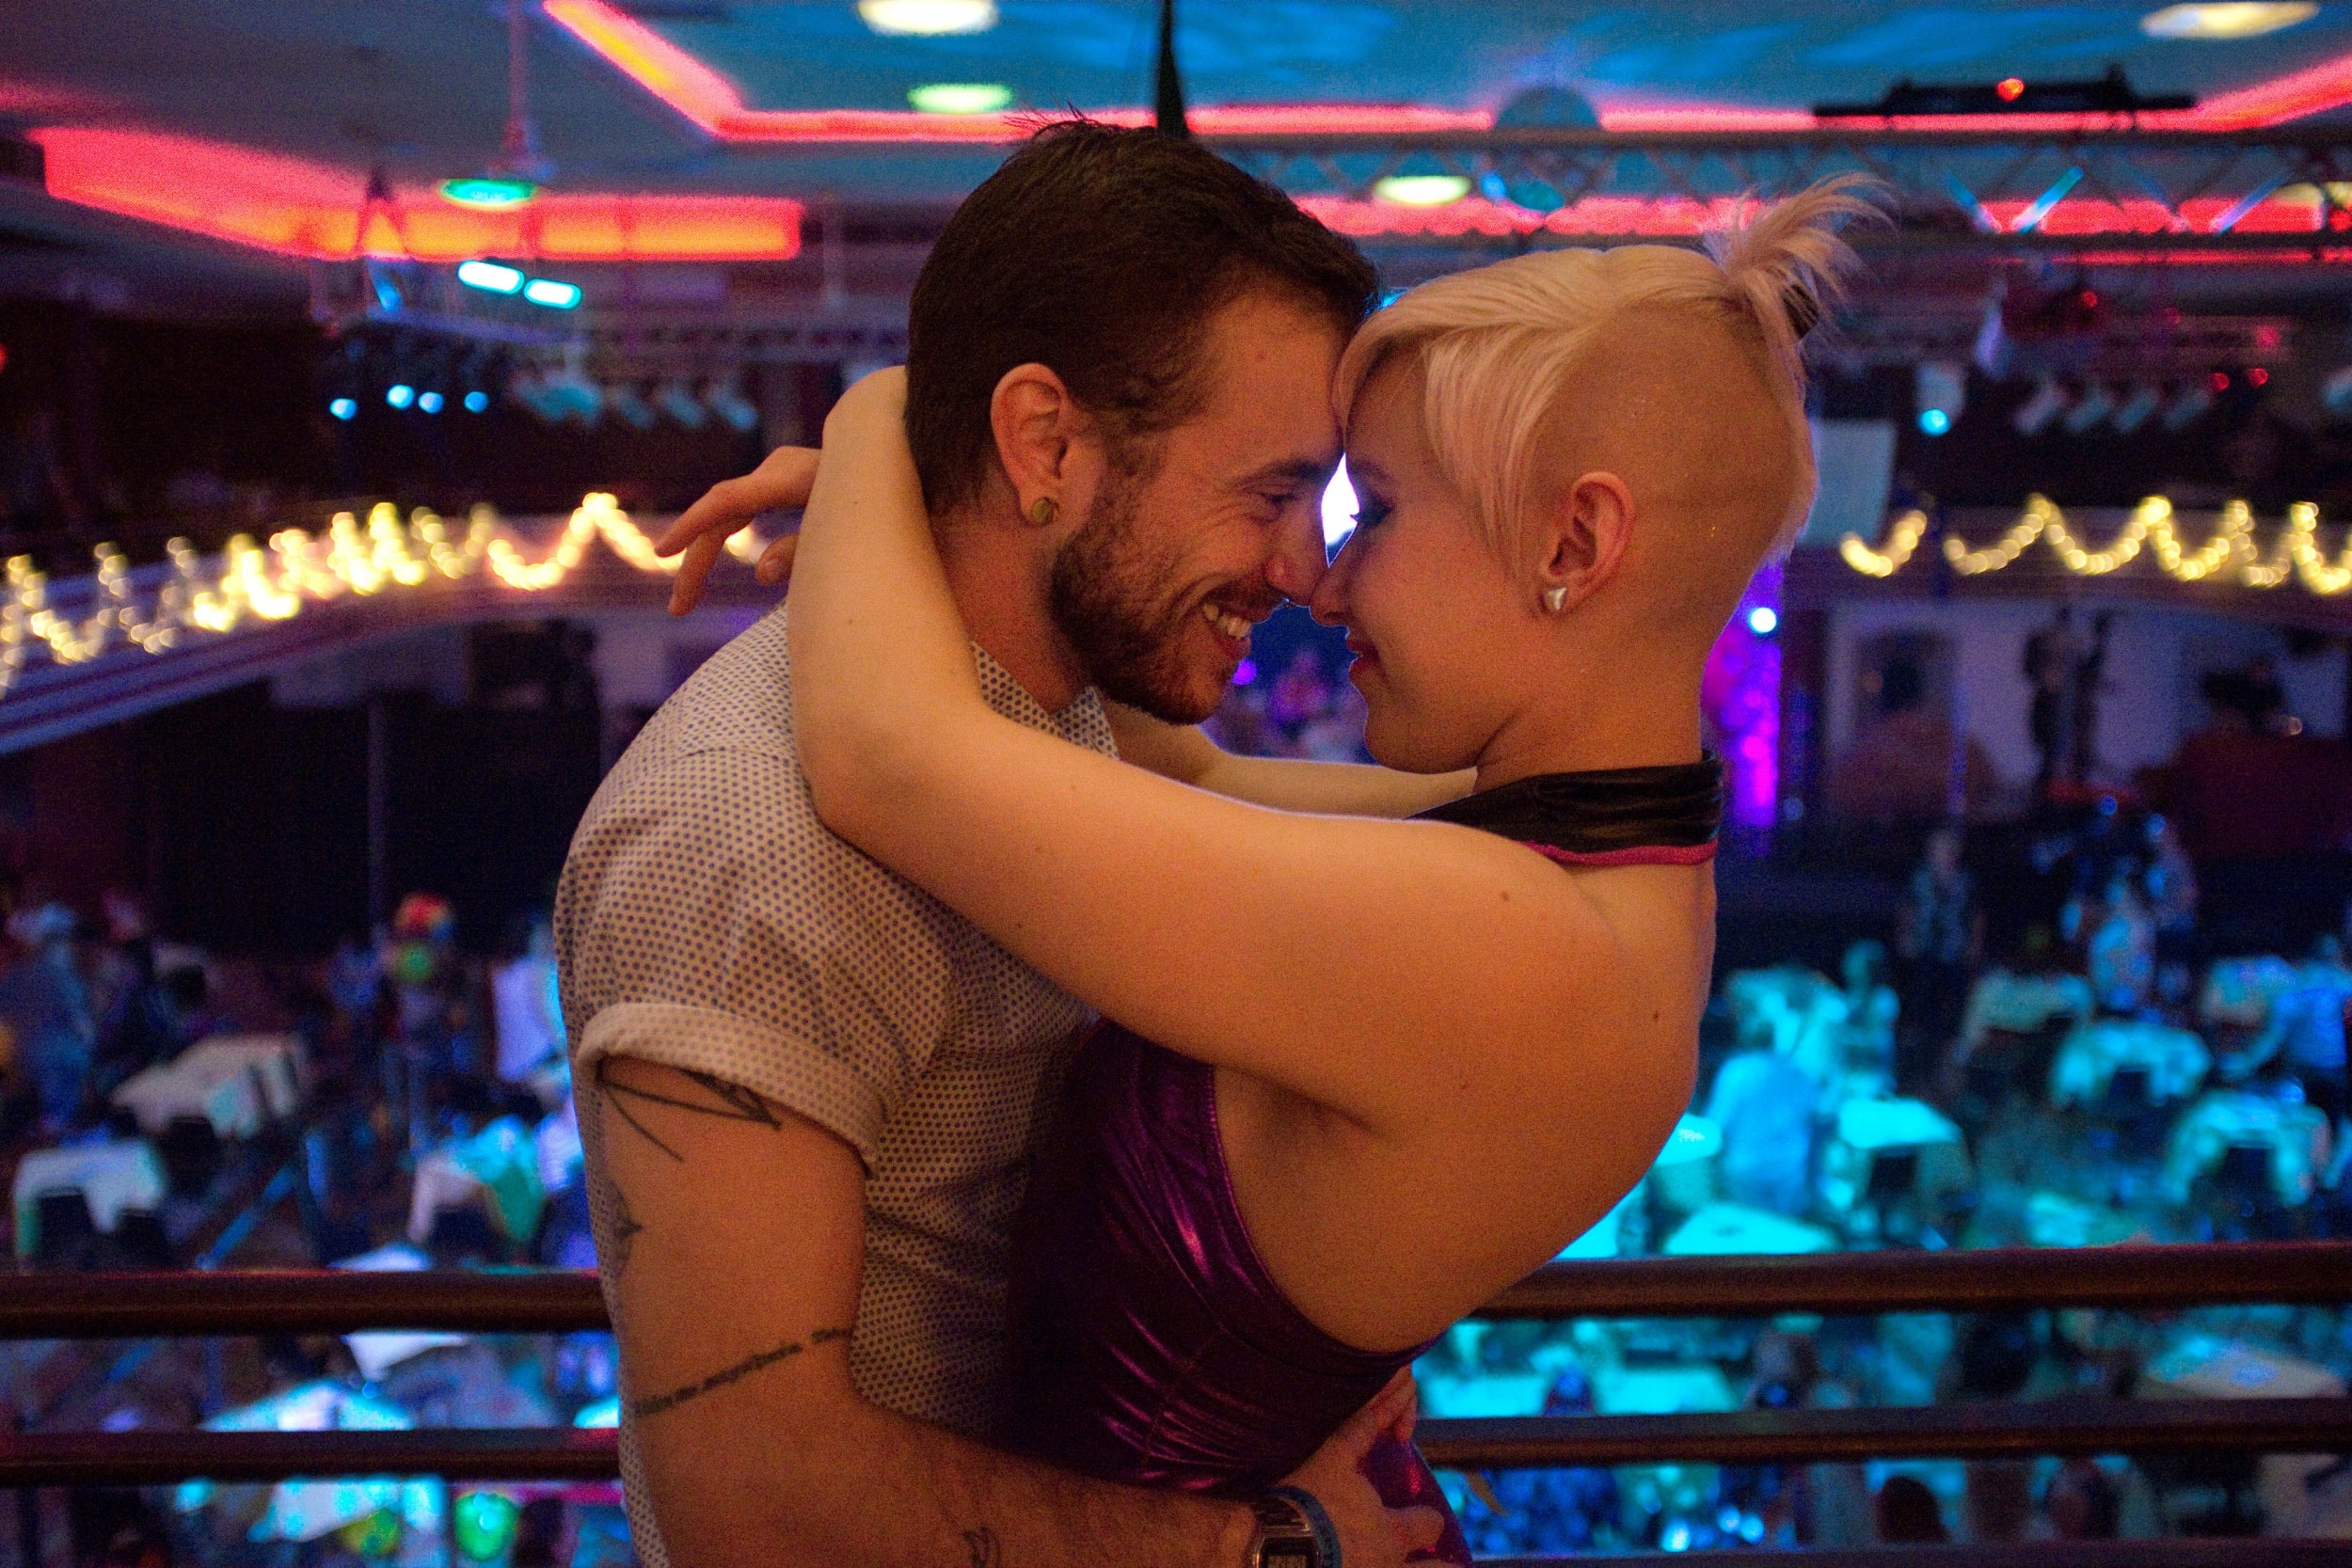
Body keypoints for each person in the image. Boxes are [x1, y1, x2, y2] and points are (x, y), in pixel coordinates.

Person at [751, 177, 1871, 1561]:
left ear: (1574, 544)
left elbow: (887, 758)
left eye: (1378, 511)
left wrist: (885, 415)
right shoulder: (1578, 862)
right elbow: (1190, 774)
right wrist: (979, 515)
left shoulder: (1517, 947)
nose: (1323, 585)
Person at [561, 123, 1470, 1568]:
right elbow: (755, 1501)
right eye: (1268, 495)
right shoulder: (744, 847)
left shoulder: (1046, 716)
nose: (1305, 572)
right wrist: (1272, 1550)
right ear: (1044, 444)